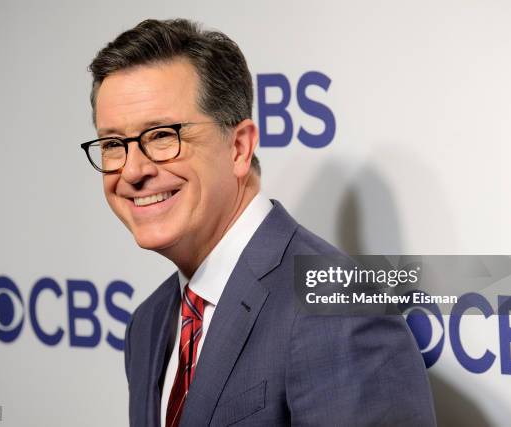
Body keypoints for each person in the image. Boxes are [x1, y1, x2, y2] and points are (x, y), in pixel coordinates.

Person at [81, 18, 436, 427]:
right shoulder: (149, 322)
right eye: (112, 144)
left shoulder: (342, 312)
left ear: (239, 147)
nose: (132, 171)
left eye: (162, 136)